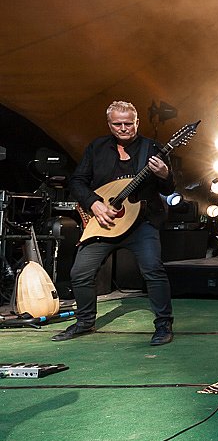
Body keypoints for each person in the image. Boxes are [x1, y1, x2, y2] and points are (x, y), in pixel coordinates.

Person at [52, 101, 175, 345]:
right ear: (109, 124)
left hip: (141, 222)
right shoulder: (97, 148)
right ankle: (85, 321)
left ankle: (163, 325)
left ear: (137, 122)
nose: (123, 128)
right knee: (80, 272)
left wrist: (164, 174)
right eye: (117, 124)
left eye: (128, 123)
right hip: (105, 221)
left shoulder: (152, 148)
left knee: (153, 270)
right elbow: (77, 181)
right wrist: (94, 203)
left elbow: (169, 189)